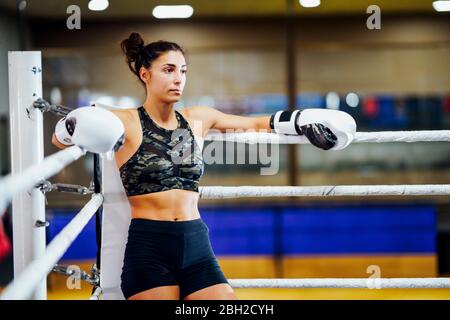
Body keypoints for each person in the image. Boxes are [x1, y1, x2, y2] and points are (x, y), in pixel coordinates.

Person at [52, 32, 356, 300]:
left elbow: (254, 123)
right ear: (145, 74)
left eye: (183, 71)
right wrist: (73, 128)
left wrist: (304, 123)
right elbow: (60, 139)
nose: (178, 78)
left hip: (195, 241)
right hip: (149, 246)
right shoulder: (125, 120)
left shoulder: (196, 119)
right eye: (168, 70)